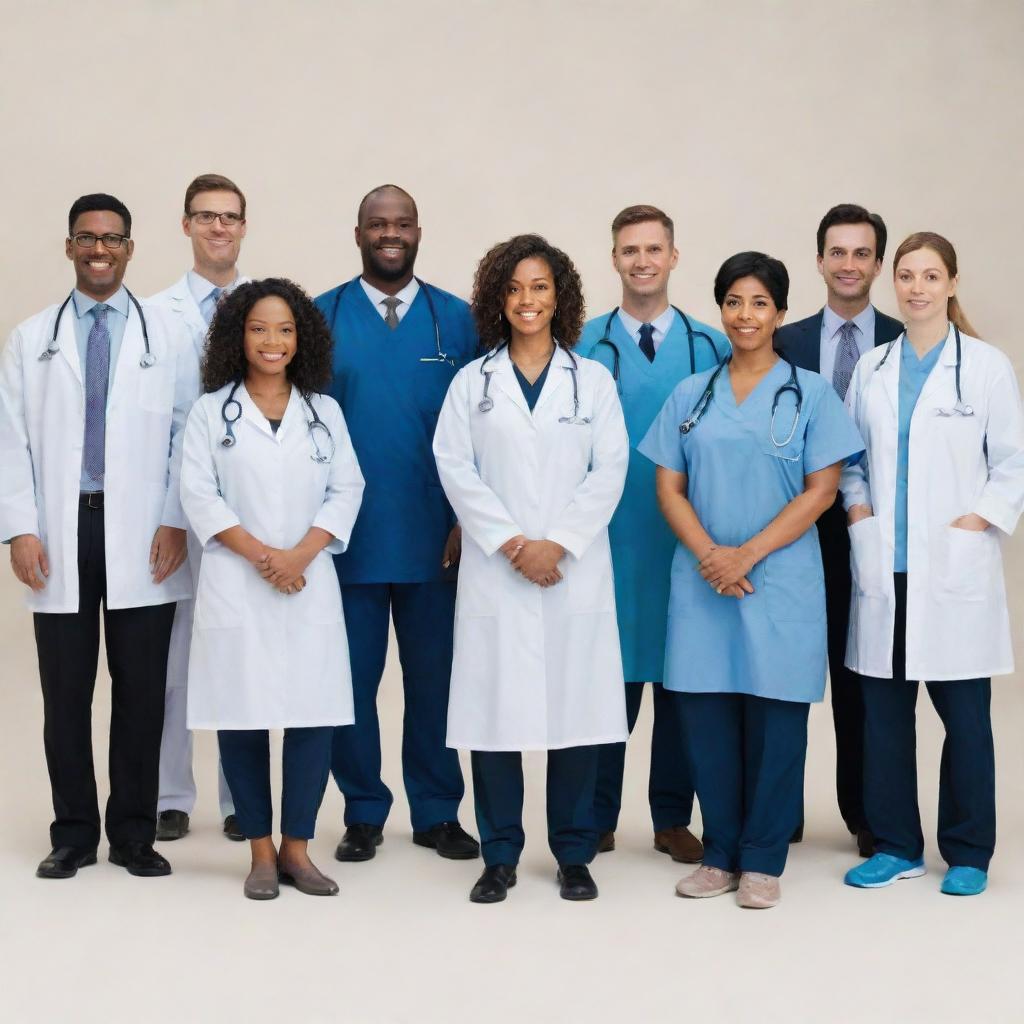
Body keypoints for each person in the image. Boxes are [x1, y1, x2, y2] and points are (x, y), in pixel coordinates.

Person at [639, 252, 864, 909]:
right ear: (722, 310)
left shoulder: (811, 393)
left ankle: (762, 861)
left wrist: (746, 555)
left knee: (775, 725)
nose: (746, 315)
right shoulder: (692, 394)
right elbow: (667, 483)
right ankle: (720, 854)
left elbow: (823, 490)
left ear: (780, 315)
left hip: (781, 581)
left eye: (760, 303)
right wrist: (713, 553)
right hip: (703, 579)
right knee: (705, 722)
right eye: (734, 302)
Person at [0, 193, 197, 879]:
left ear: (131, 249)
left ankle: (135, 834)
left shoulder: (167, 337)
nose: (99, 249)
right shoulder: (31, 339)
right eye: (86, 238)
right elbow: (11, 443)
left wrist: (176, 517)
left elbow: (187, 436)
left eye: (112, 238)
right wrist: (20, 529)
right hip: (62, 527)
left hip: (146, 531)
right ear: (69, 248)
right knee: (66, 691)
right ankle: (75, 833)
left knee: (143, 690)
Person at [434, 234, 630, 903]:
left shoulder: (593, 381)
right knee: (495, 716)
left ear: (560, 297)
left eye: (540, 287)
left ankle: (574, 855)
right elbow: (455, 468)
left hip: (572, 570)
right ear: (498, 298)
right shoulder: (473, 384)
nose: (527, 300)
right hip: (500, 570)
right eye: (515, 288)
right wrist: (516, 544)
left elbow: (611, 470)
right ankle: (501, 855)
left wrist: (562, 542)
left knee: (576, 714)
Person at [841, 233, 1024, 897]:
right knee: (884, 721)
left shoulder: (984, 367)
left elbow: (1011, 465)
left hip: (952, 569)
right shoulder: (875, 367)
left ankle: (969, 850)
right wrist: (859, 516)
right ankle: (895, 846)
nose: (916, 287)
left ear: (951, 282)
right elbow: (851, 461)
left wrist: (976, 524)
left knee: (967, 720)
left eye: (930, 275)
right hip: (884, 568)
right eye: (907, 276)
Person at [180, 278, 365, 900]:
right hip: (240, 582)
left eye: (285, 329)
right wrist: (266, 558)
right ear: (239, 334)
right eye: (259, 327)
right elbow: (199, 494)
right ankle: (259, 853)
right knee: (243, 718)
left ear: (301, 338)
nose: (272, 340)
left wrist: (301, 555)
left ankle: (297, 849)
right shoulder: (213, 411)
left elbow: (348, 489)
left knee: (313, 718)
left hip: (308, 583)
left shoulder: (324, 411)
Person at [315, 184, 480, 863]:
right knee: (348, 681)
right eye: (377, 224)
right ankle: (362, 809)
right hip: (346, 538)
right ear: (357, 232)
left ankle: (438, 810)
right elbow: (303, 435)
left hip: (435, 538)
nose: (390, 234)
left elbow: (485, 432)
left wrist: (470, 522)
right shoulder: (318, 318)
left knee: (436, 681)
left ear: (419, 230)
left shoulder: (460, 322)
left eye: (402, 223)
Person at [578, 204, 727, 864]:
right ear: (613, 259)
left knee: (681, 686)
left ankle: (671, 818)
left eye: (653, 249)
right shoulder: (583, 346)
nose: (642, 260)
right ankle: (596, 816)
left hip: (685, 542)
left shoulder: (710, 347)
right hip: (607, 540)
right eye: (629, 250)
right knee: (605, 685)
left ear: (673, 256)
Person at [775, 203, 902, 854]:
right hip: (796, 534)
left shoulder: (909, 341)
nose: (848, 264)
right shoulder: (784, 341)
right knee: (788, 676)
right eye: (837, 252)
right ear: (819, 259)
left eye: (862, 253)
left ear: (878, 264)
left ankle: (867, 817)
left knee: (865, 679)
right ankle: (780, 817)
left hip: (877, 533)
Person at [148, 172, 250, 843]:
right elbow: (154, 425)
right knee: (173, 661)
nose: (219, 227)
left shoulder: (268, 307)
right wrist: (173, 516)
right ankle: (170, 794)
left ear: (243, 227)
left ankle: (243, 798)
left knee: (242, 653)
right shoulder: (153, 315)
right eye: (206, 216)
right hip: (174, 510)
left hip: (251, 516)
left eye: (230, 217)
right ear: (185, 225)